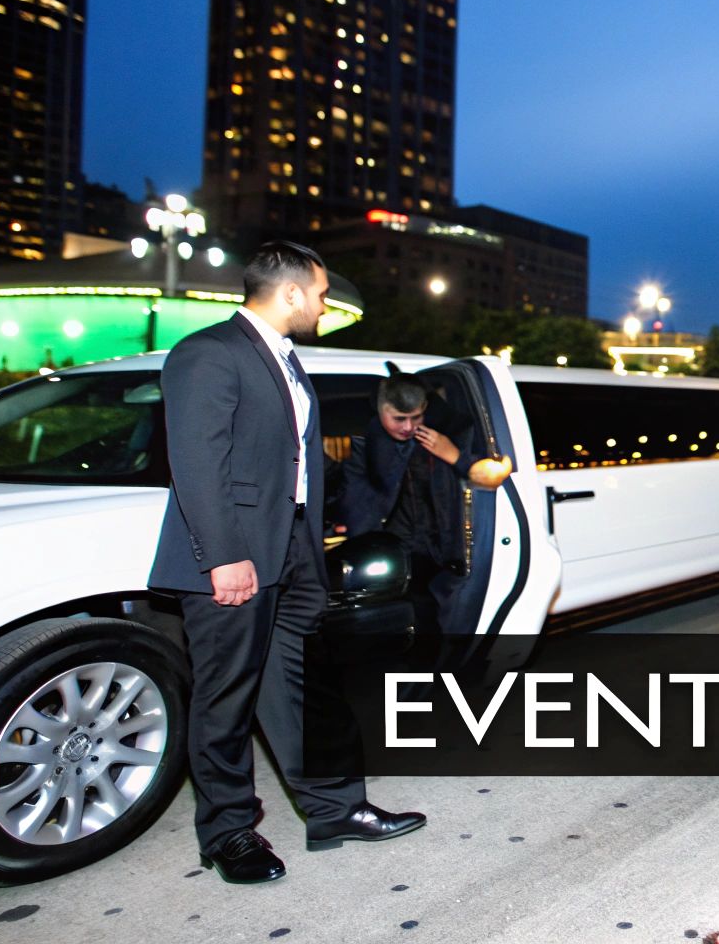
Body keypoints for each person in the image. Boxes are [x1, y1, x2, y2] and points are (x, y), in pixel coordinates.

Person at [148, 241, 425, 886]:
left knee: (299, 688)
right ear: (292, 291)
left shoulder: (285, 358)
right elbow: (197, 464)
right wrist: (224, 556)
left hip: (292, 553)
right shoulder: (209, 353)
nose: (324, 306)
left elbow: (290, 461)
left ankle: (334, 811)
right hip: (234, 557)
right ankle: (228, 833)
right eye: (321, 295)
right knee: (225, 700)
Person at [332, 364, 481, 631]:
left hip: (444, 555)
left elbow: (480, 473)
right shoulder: (367, 440)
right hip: (393, 555)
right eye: (399, 418)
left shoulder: (444, 434)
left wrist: (454, 455)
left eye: (416, 417)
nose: (409, 427)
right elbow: (356, 496)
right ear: (381, 409)